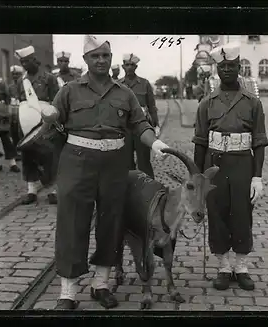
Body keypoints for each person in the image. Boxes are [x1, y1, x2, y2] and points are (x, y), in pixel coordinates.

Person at [51, 35, 170, 310]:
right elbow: (52, 122)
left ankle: (100, 284)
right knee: (73, 221)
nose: (101, 61)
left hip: (115, 163)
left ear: (111, 58)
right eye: (95, 56)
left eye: (105, 55)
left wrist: (156, 144)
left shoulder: (124, 93)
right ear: (86, 61)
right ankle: (68, 291)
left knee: (112, 221)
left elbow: (140, 124)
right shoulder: (69, 90)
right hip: (77, 162)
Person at [193, 42, 268, 291]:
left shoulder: (252, 103)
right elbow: (200, 143)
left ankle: (241, 265)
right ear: (217, 68)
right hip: (214, 164)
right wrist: (197, 178)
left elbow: (258, 142)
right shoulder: (206, 102)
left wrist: (257, 177)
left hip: (242, 165)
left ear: (239, 67)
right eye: (222, 66)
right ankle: (224, 266)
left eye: (232, 65)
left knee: (242, 213)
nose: (227, 70)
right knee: (217, 213)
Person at [15, 45, 60, 205]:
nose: (26, 64)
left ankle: (53, 190)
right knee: (28, 155)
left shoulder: (49, 78)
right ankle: (31, 190)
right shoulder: (21, 81)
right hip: (26, 122)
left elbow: (56, 101)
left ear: (35, 60)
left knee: (49, 154)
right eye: (23, 62)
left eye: (28, 61)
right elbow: (19, 101)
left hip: (44, 121)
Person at [119, 53, 160, 177]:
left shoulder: (144, 83)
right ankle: (129, 189)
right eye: (127, 65)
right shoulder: (117, 84)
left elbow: (152, 106)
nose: (130, 67)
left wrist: (156, 125)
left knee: (144, 161)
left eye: (132, 65)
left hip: (141, 127)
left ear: (136, 67)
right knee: (126, 162)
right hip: (124, 128)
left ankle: (149, 188)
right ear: (123, 66)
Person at [0, 62, 20, 173]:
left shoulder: (1, 83)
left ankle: (12, 163)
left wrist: (6, 113)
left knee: (5, 137)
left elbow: (8, 98)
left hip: (1, 113)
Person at [8, 65, 25, 156]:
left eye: (17, 74)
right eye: (13, 74)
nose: (15, 76)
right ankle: (16, 150)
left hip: (23, 111)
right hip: (13, 112)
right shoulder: (10, 87)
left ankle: (23, 150)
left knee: (22, 131)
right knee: (13, 131)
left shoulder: (25, 85)